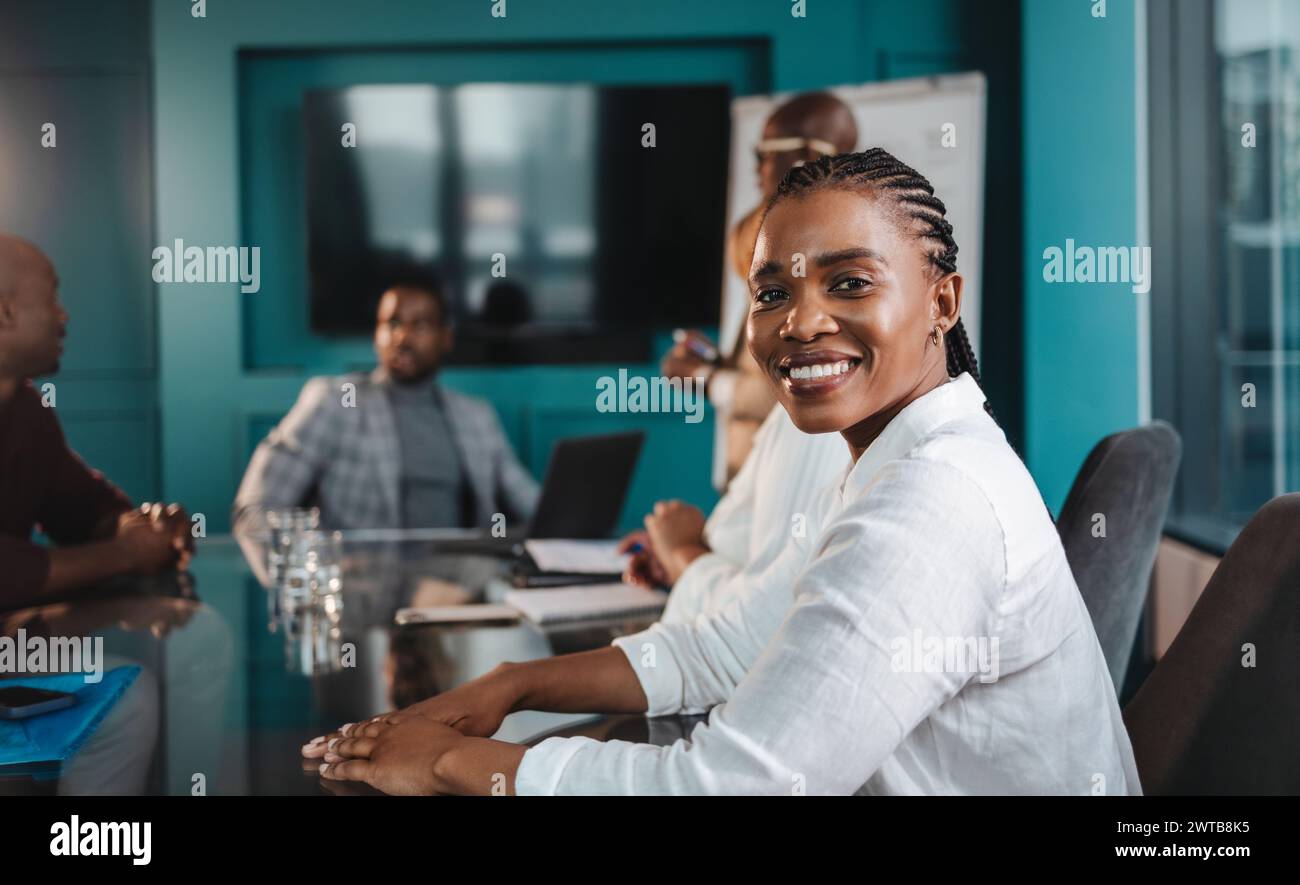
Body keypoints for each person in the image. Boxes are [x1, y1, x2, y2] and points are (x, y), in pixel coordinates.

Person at [306, 149, 1139, 796]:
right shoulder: (898, 463)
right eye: (771, 291)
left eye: (851, 281)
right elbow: (732, 643)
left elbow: (727, 785)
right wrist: (512, 683)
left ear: (943, 302)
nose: (802, 320)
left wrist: (453, 763)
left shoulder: (935, 503)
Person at [233, 277, 539, 533]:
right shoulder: (335, 401)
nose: (402, 338)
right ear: (376, 336)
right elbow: (254, 509)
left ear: (445, 338)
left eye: (419, 326)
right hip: (362, 589)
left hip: (461, 591)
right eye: (392, 323)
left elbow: (533, 505)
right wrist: (323, 563)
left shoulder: (476, 416)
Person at [663, 92, 859, 489]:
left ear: (808, 156)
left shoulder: (812, 253)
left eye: (766, 152)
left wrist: (704, 377)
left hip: (782, 481)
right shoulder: (771, 242)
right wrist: (718, 364)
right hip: (752, 483)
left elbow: (801, 380)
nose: (757, 166)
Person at [0, 235, 192, 606]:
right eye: (52, 298)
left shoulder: (27, 411)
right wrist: (124, 555)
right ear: (5, 312)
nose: (63, 315)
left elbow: (83, 510)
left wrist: (147, 528)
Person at [619, 403, 848, 624]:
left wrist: (682, 553)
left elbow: (763, 619)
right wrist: (675, 551)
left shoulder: (815, 419)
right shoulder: (792, 413)